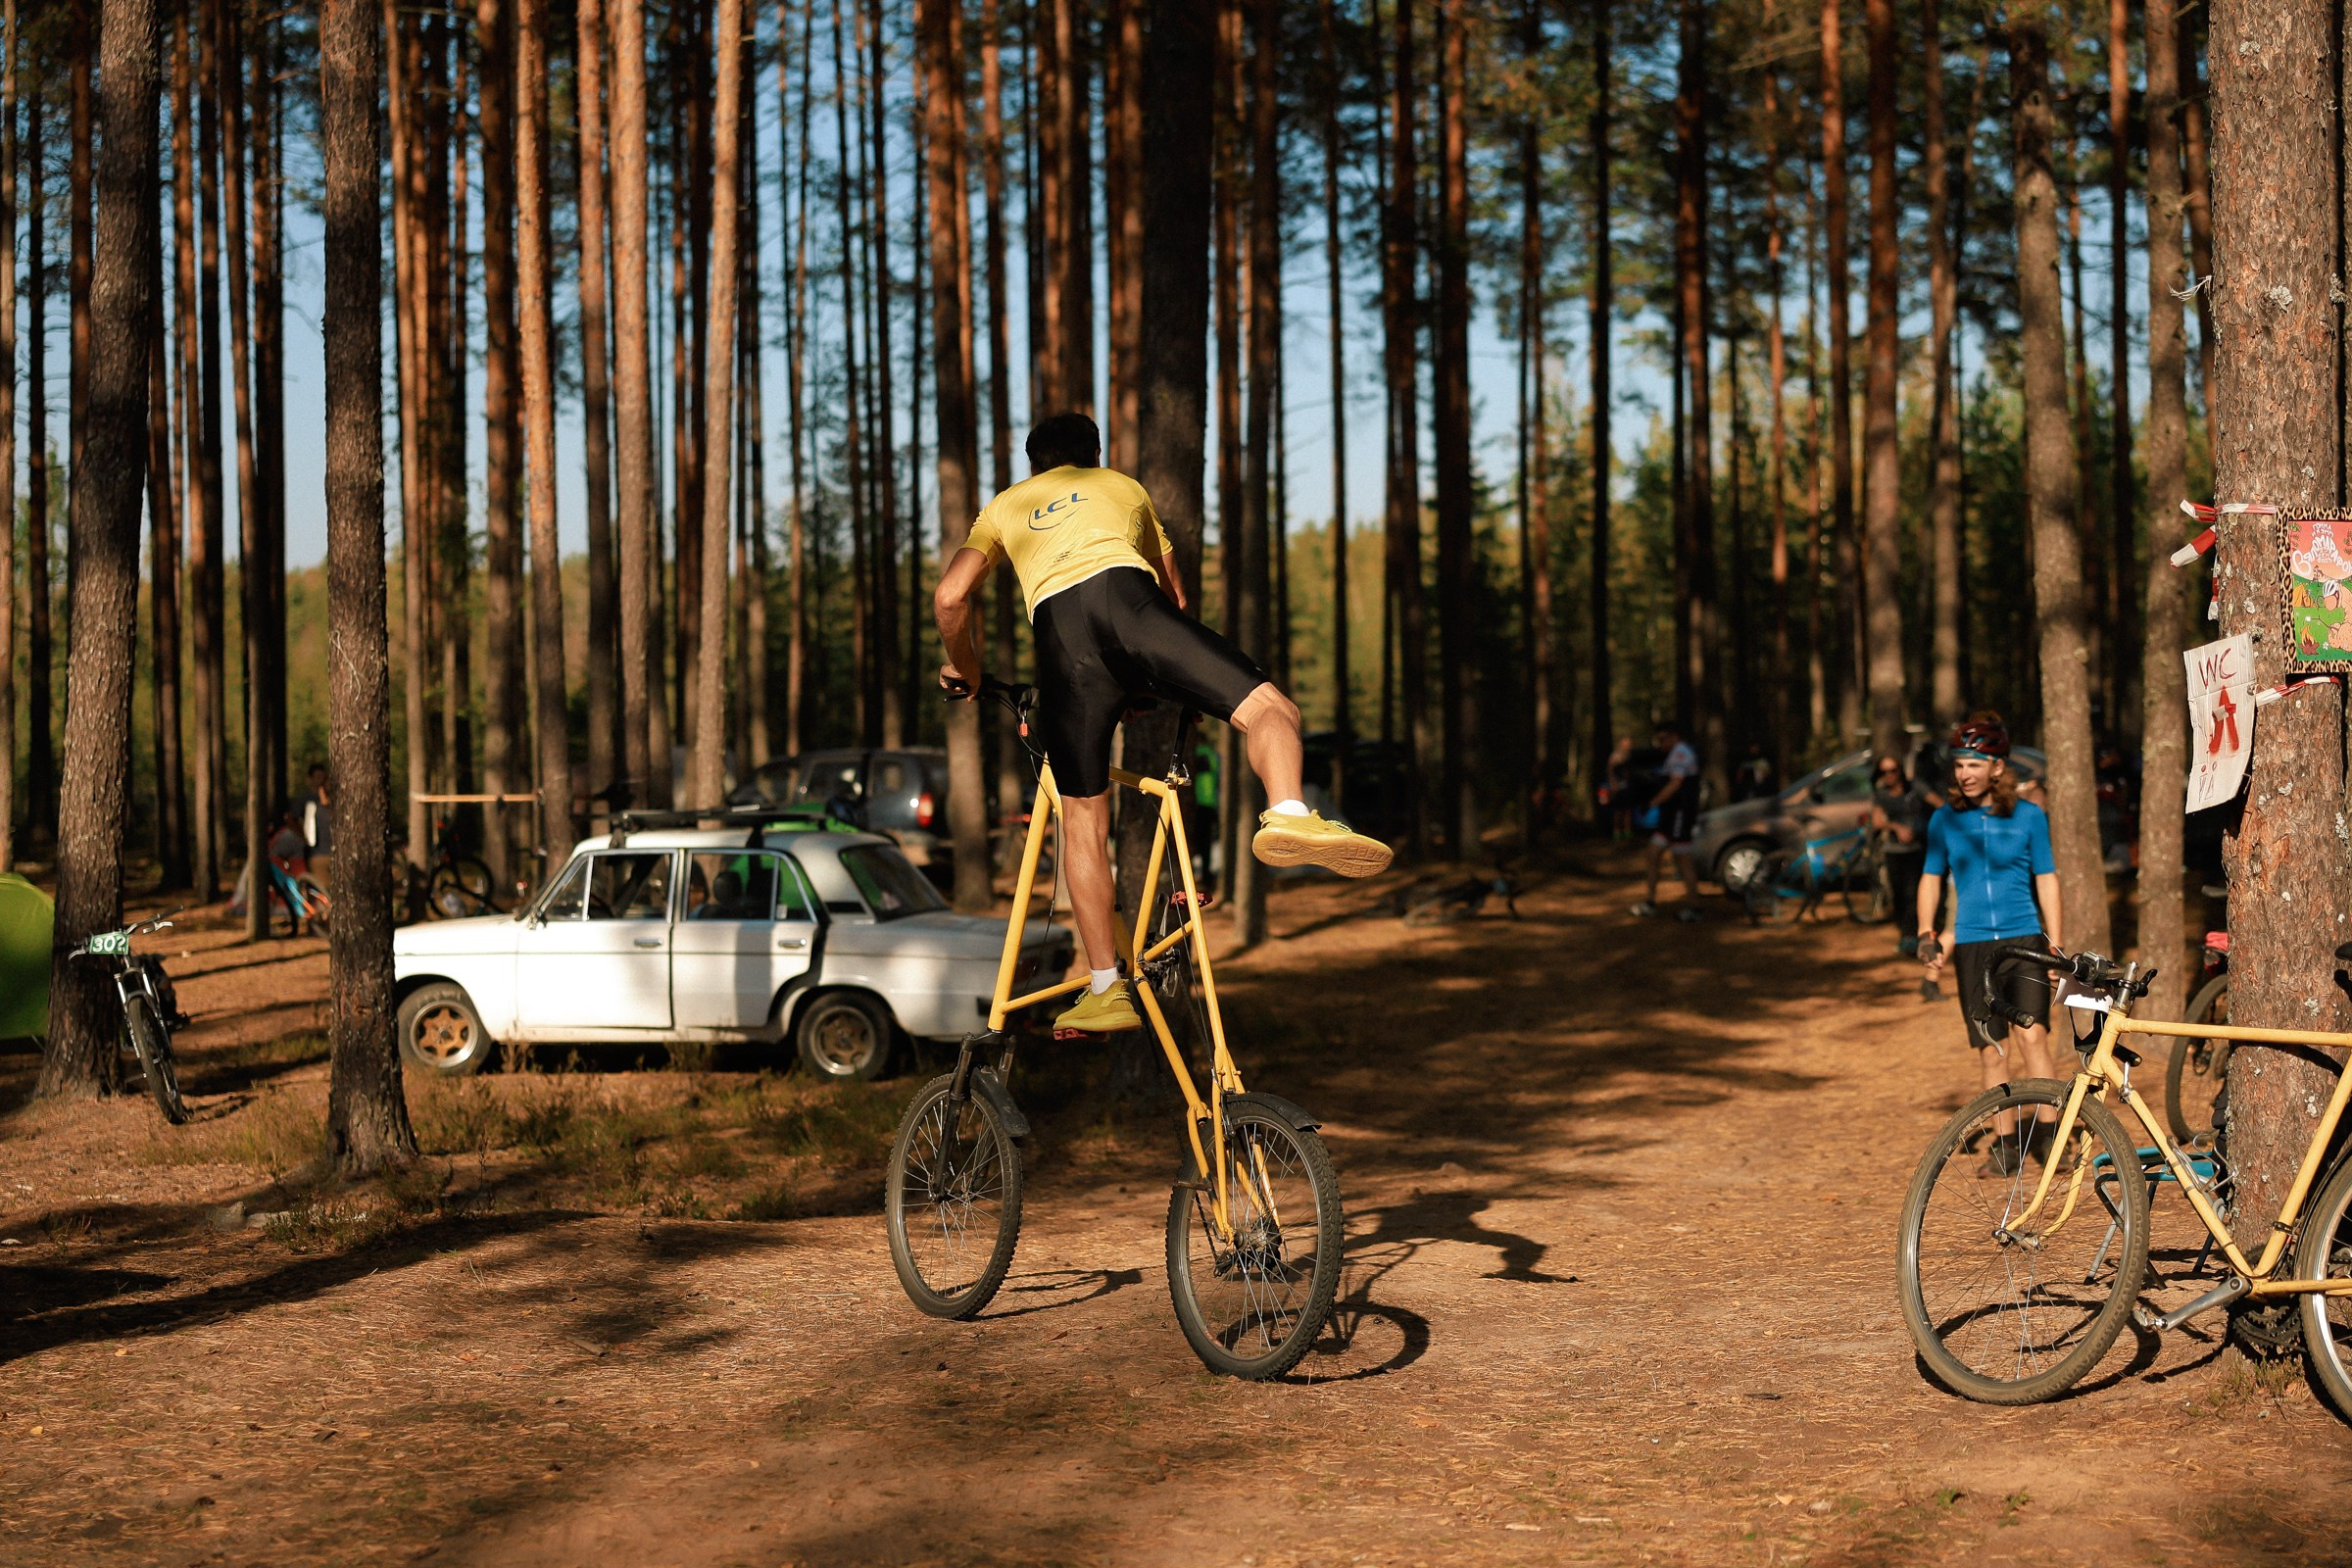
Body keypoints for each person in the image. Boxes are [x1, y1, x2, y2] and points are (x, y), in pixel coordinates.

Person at [933, 412, 1394, 1035]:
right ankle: (1287, 811)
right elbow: (1175, 599)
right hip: (1135, 609)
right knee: (1271, 709)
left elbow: (951, 597)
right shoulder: (1125, 488)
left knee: (1084, 820)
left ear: (1033, 465)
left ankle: (1104, 987)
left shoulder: (1006, 506)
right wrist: (1153, 676)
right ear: (1094, 455)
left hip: (1063, 646)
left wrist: (969, 669)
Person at [1916, 711, 2063, 1172]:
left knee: (2032, 1038)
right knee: (1990, 1047)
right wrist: (1926, 932)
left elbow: (2047, 879)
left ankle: (2051, 1138)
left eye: (1975, 764)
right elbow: (1930, 878)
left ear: (1997, 767)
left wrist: (2055, 943)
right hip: (1974, 943)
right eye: (1960, 765)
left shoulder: (2029, 817)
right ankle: (2005, 1145)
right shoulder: (1944, 820)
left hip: (2024, 939)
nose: (1965, 773)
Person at [1631, 721, 1702, 922]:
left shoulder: (1681, 753)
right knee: (1652, 854)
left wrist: (1653, 802)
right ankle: (1650, 902)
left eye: (1663, 739)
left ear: (1674, 736)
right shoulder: (1673, 754)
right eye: (1658, 740)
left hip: (1680, 815)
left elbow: (1675, 784)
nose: (1660, 744)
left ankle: (1694, 907)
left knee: (1682, 860)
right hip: (1670, 816)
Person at [1871, 753, 1930, 956]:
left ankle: (1913, 936)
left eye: (1893, 770)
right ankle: (1905, 935)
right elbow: (1877, 821)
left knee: (1914, 893)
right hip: (1893, 851)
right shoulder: (1881, 795)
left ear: (1900, 771)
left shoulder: (1915, 788)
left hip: (1916, 850)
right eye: (1884, 771)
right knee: (1898, 894)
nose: (1889, 775)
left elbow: (1939, 803)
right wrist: (1895, 826)